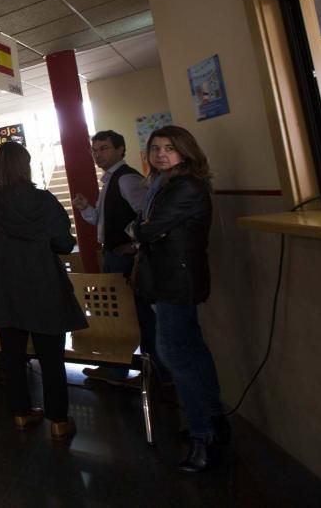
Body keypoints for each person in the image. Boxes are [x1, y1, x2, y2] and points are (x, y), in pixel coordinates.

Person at [129, 126, 226, 473]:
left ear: (185, 151)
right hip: (171, 279)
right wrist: (145, 227)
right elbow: (150, 225)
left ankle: (203, 438)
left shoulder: (185, 186)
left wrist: (139, 230)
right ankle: (214, 422)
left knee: (174, 355)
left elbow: (147, 229)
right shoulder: (164, 184)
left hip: (176, 282)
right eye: (155, 148)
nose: (161, 154)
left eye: (169, 148)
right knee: (193, 350)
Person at [0, 141, 87, 442]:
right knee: (51, 357)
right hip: (43, 288)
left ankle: (22, 413)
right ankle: (59, 421)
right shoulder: (44, 200)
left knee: (12, 357)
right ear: (25, 165)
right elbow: (63, 243)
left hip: (5, 289)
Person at [71, 130, 166, 387]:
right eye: (94, 149)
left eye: (103, 148)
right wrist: (84, 209)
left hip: (126, 258)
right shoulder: (110, 180)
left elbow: (147, 217)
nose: (97, 154)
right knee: (125, 314)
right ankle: (126, 369)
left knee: (137, 315)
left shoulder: (126, 179)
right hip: (112, 254)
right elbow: (100, 222)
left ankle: (153, 372)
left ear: (120, 149)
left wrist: (135, 246)